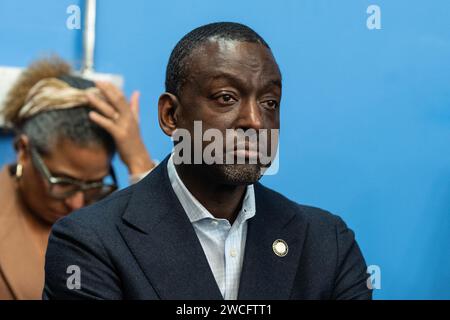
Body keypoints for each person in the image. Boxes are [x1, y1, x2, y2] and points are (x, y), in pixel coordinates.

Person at [43, 22, 372, 300]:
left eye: (270, 102)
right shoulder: (90, 243)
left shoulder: (328, 243)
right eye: (226, 98)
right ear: (171, 115)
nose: (256, 122)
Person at [0, 58, 156, 299]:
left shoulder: (114, 221)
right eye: (63, 183)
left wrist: (139, 162)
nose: (77, 204)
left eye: (94, 185)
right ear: (23, 151)